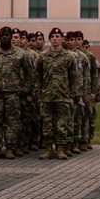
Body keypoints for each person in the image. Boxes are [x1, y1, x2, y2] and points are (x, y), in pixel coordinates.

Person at [0, 26, 33, 159]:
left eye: (7, 34)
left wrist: (25, 89)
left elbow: (29, 73)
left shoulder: (20, 54)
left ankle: (11, 148)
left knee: (12, 122)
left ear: (11, 37)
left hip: (13, 93)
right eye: (2, 35)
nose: (5, 36)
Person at [35, 27, 78, 160]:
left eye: (57, 36)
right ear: (50, 39)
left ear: (61, 39)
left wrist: (72, 96)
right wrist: (38, 94)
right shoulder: (43, 57)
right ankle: (49, 149)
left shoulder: (68, 57)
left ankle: (60, 149)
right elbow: (38, 76)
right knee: (47, 124)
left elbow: (74, 78)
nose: (55, 39)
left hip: (62, 95)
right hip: (46, 95)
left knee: (62, 124)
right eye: (52, 36)